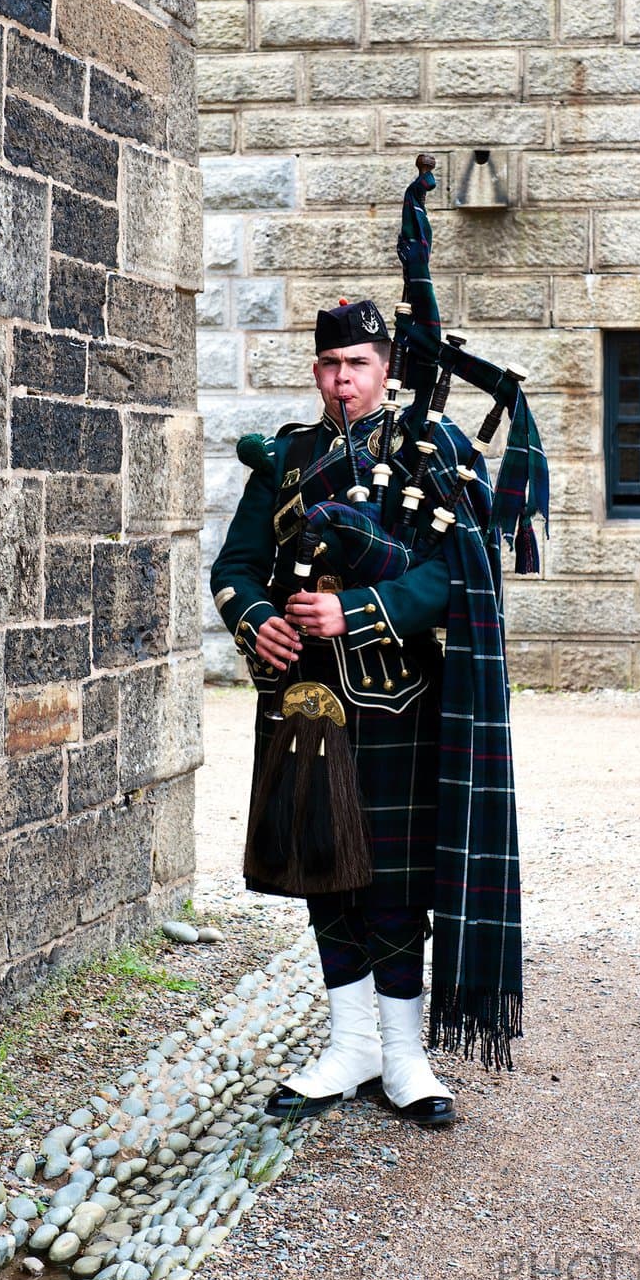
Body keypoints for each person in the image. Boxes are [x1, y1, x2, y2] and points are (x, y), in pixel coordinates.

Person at [210, 299, 461, 1127]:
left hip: (396, 699)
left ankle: (404, 1056)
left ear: (386, 367)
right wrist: (258, 621)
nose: (341, 380)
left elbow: (453, 577)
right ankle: (350, 1044)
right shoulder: (288, 460)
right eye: (329, 365)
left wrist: (355, 612)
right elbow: (237, 566)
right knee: (324, 868)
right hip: (305, 700)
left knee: (391, 879)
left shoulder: (431, 450)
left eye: (356, 364)